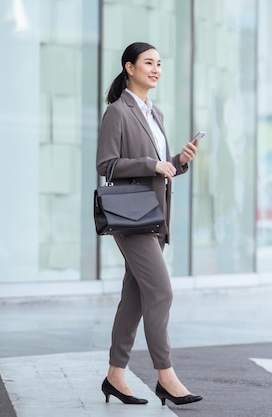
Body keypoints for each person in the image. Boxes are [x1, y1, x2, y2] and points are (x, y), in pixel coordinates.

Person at [96, 42, 202, 407]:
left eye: (159, 64)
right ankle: (165, 376)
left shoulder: (154, 112)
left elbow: (157, 167)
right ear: (129, 67)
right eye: (148, 63)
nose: (156, 69)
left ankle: (115, 375)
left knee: (135, 297)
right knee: (161, 292)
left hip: (154, 215)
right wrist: (151, 164)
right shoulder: (118, 112)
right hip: (132, 218)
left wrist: (178, 161)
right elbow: (106, 164)